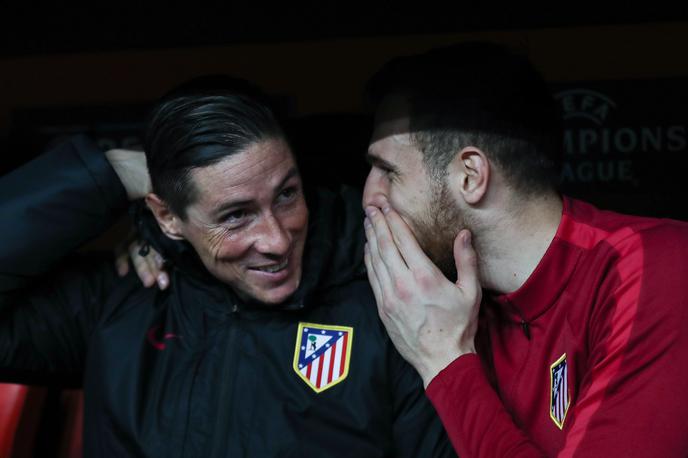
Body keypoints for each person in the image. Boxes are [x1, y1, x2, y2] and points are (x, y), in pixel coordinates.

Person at [0, 87, 455, 457]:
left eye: (286, 195)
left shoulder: (389, 302)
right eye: (235, 215)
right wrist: (112, 173)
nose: (277, 240)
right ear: (168, 218)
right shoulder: (120, 301)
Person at [361, 41, 688, 456]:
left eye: (388, 171)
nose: (370, 196)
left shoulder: (653, 265)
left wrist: (443, 358)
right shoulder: (445, 307)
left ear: (469, 176)